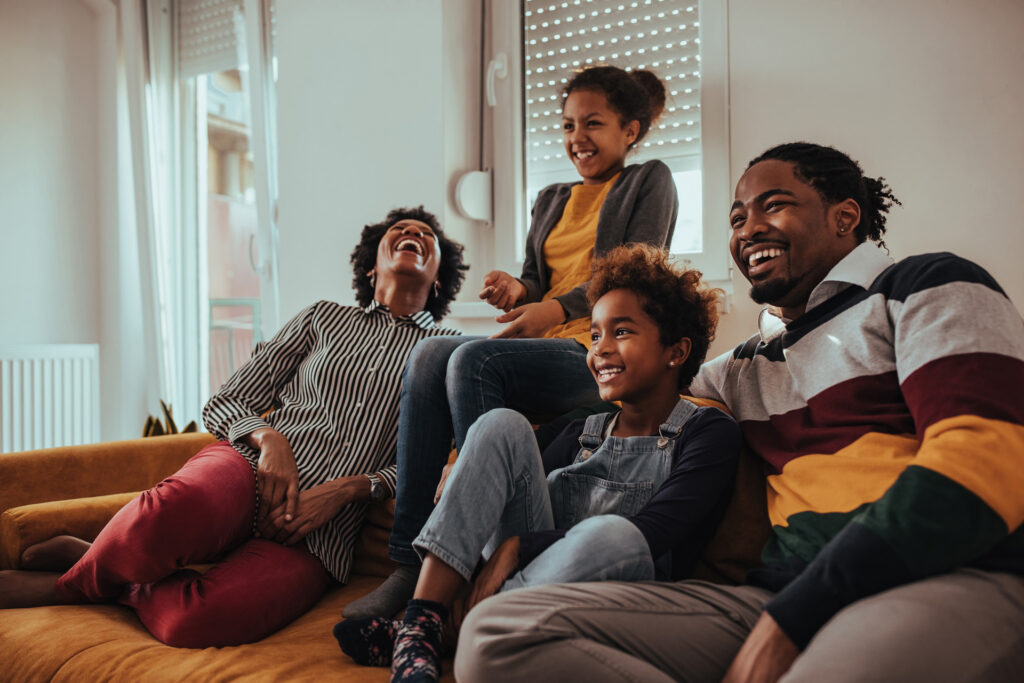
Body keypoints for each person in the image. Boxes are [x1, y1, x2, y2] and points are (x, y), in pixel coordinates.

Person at [454, 142, 1024, 682]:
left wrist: (797, 615)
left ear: (845, 217)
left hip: (943, 574)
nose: (748, 229)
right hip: (772, 598)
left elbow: (985, 461)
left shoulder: (926, 284)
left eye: (774, 206)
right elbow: (633, 397)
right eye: (735, 218)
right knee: (495, 635)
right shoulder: (742, 367)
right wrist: (482, 458)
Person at [0, 207, 468, 648]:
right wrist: (270, 440)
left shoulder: (450, 352)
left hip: (318, 532)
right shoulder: (323, 317)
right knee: (159, 517)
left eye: (426, 235)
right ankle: (83, 575)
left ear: (439, 276)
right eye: (400, 230)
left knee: (194, 621)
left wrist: (346, 491)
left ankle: (87, 568)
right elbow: (227, 399)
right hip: (246, 468)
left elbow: (434, 463)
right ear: (371, 266)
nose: (413, 235)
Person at [347, 65, 681, 620]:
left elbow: (634, 271)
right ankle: (409, 564)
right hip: (549, 348)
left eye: (593, 124)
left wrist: (554, 308)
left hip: (599, 356)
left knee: (476, 358)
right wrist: (519, 288)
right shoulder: (550, 198)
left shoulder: (649, 181)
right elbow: (536, 276)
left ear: (631, 130)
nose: (577, 138)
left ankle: (470, 556)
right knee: (430, 353)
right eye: (569, 125)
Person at [335, 244, 740, 683]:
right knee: (499, 424)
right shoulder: (580, 430)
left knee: (614, 534)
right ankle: (421, 624)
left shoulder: (708, 432)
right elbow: (501, 476)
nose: (600, 349)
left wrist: (518, 548)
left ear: (676, 352)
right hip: (527, 581)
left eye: (621, 332)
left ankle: (459, 630)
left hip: (620, 597)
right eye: (596, 335)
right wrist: (467, 463)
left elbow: (657, 532)